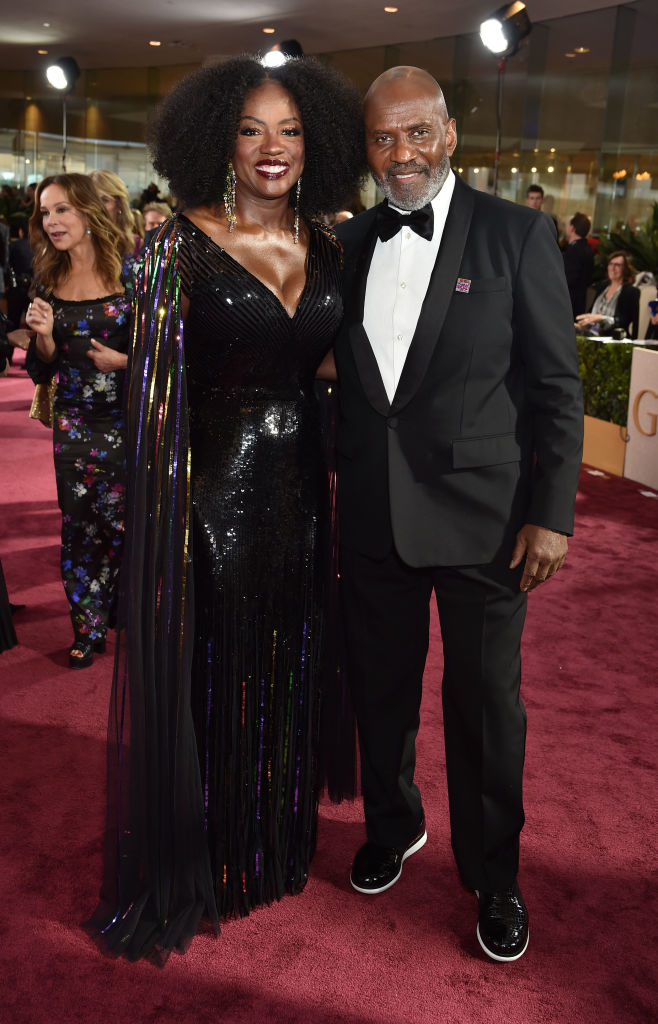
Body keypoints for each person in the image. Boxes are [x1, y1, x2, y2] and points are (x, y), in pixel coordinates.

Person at [87, 55, 365, 963]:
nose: (272, 147)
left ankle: (272, 851)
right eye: (251, 129)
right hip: (209, 495)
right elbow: (155, 397)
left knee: (289, 658)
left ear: (314, 141)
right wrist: (162, 521)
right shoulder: (175, 244)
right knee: (218, 666)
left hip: (302, 490)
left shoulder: (330, 248)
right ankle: (207, 857)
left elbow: (332, 365)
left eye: (289, 129)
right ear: (218, 141)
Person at [333, 67, 583, 963]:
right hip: (371, 514)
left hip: (487, 519)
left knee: (484, 706)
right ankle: (393, 824)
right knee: (382, 692)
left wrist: (551, 515)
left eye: (416, 134)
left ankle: (494, 875)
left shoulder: (519, 234)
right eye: (382, 138)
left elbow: (556, 387)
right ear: (366, 146)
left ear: (448, 134)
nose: (400, 153)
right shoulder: (350, 242)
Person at [25, 174, 132, 669]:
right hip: (73, 424)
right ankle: (86, 627)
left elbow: (167, 351)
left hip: (126, 421)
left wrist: (125, 362)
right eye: (45, 212)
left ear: (88, 214)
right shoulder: (46, 279)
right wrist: (43, 339)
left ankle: (122, 613)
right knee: (80, 525)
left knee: (124, 524)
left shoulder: (132, 276)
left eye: (62, 210)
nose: (51, 222)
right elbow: (43, 366)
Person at [575, 250, 640, 338]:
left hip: (614, 338)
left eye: (617, 265)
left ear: (626, 269)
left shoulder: (631, 292)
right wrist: (582, 324)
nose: (612, 268)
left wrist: (602, 318)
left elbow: (624, 321)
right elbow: (592, 315)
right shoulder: (602, 287)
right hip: (591, 334)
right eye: (610, 264)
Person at [89, 169, 142, 258]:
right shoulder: (77, 243)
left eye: (104, 200)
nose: (98, 206)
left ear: (119, 205)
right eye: (92, 200)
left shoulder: (137, 244)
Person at [562, 212, 594, 317]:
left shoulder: (574, 250)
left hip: (568, 302)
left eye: (567, 224)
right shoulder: (587, 248)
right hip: (580, 302)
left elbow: (568, 278)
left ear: (572, 228)